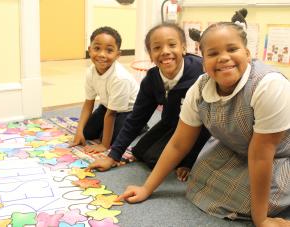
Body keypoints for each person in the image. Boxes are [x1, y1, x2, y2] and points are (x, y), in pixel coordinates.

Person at [117, 19, 290, 227]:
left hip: (277, 154)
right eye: (213, 53)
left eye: (232, 49)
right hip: (236, 147)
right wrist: (146, 188)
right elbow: (178, 143)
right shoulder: (199, 88)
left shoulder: (268, 85)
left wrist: (260, 218)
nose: (224, 58)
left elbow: (262, 155)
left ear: (247, 53)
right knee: (198, 182)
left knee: (259, 201)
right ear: (203, 59)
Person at [88, 23, 210, 181]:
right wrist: (113, 157)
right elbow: (136, 119)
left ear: (184, 48)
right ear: (151, 55)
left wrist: (188, 161)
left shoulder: (201, 73)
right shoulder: (151, 80)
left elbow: (208, 122)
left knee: (155, 160)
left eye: (172, 45)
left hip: (197, 127)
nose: (165, 51)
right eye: (157, 48)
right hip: (171, 122)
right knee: (139, 151)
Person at [70, 26, 139, 153]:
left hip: (128, 111)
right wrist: (79, 131)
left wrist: (104, 145)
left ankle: (141, 126)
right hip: (107, 106)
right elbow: (88, 103)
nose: (102, 54)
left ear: (118, 55)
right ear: (89, 50)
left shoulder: (120, 78)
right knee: (87, 133)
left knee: (109, 139)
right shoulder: (90, 72)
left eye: (109, 50)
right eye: (97, 48)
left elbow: (111, 114)